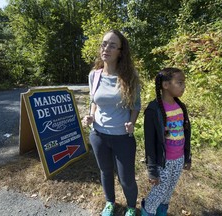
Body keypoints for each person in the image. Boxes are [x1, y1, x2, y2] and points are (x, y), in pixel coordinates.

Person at [82, 29, 141, 216]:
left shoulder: (130, 77)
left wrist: (131, 123)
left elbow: (136, 106)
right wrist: (90, 116)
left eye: (112, 45)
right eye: (104, 44)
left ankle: (131, 207)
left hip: (122, 137)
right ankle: (110, 203)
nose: (106, 48)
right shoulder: (94, 75)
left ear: (120, 51)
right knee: (105, 171)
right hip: (98, 135)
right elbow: (93, 101)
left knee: (127, 179)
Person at [141, 67, 192, 216]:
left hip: (178, 159)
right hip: (162, 162)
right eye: (180, 82)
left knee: (168, 191)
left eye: (184, 83)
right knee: (159, 192)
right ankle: (147, 211)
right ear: (165, 85)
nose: (183, 86)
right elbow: (149, 143)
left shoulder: (181, 106)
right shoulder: (153, 110)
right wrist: (152, 170)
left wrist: (187, 157)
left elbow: (186, 134)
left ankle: (161, 212)